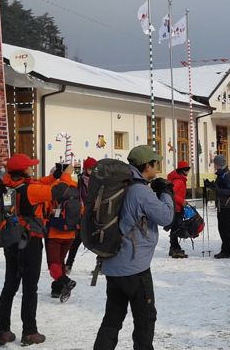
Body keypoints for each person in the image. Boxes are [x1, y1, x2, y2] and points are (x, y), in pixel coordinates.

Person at [94, 145, 174, 350]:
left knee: (112, 319)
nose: (157, 168)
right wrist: (165, 193)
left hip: (112, 263)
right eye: (156, 164)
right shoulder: (140, 191)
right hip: (134, 268)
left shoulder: (121, 184)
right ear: (147, 165)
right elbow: (166, 217)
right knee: (145, 319)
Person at [0, 153, 74, 347]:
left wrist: (54, 175)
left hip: (11, 239)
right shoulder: (31, 190)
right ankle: (29, 332)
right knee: (30, 288)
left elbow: (39, 184)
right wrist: (65, 176)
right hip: (30, 241)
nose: (32, 168)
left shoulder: (6, 186)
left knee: (10, 286)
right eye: (30, 166)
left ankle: (2, 330)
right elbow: (59, 192)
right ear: (23, 170)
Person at [46, 166, 80, 301]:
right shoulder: (75, 187)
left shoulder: (53, 187)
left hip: (55, 231)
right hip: (71, 232)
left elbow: (47, 208)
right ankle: (58, 289)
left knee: (53, 263)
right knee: (61, 262)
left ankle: (66, 281)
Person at [65, 157, 96, 274]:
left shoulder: (99, 181)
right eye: (90, 169)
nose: (92, 171)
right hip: (82, 214)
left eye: (94, 168)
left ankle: (102, 265)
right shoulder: (79, 180)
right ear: (85, 169)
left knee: (98, 241)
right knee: (77, 240)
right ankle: (68, 264)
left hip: (95, 214)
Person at [213, 154, 230, 258]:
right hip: (222, 206)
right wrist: (212, 186)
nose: (214, 165)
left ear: (218, 164)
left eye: (215, 163)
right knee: (222, 229)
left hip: (228, 206)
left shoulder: (227, 175)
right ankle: (226, 250)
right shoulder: (221, 174)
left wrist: (217, 190)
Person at [167, 160, 191, 258]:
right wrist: (182, 201)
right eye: (186, 169)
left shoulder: (180, 179)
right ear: (181, 170)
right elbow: (172, 193)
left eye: (188, 169)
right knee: (176, 228)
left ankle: (174, 248)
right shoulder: (178, 180)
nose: (187, 171)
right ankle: (175, 249)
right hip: (176, 208)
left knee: (175, 228)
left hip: (177, 207)